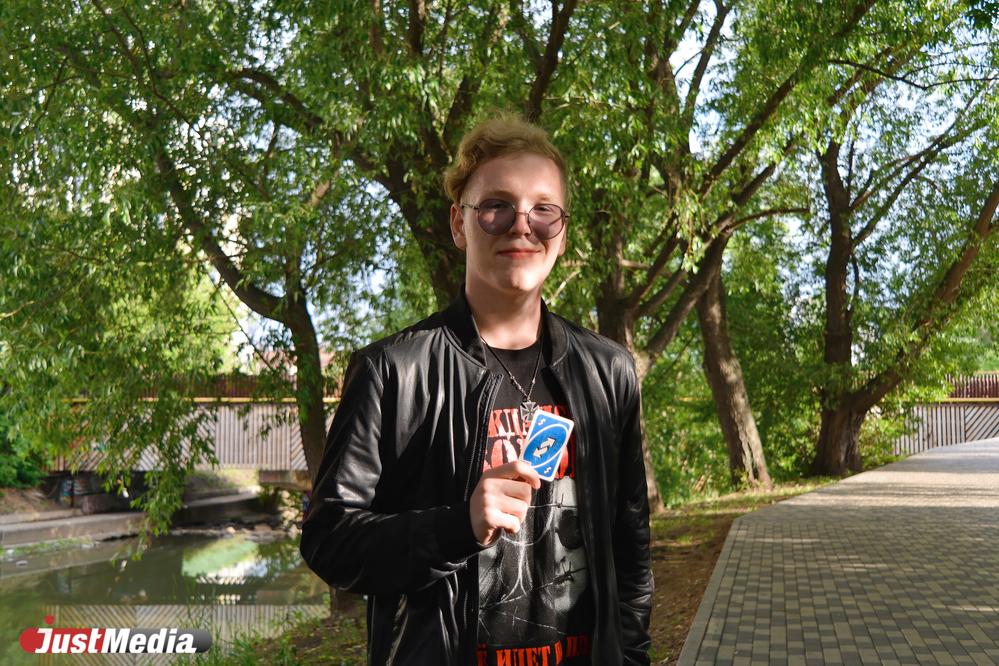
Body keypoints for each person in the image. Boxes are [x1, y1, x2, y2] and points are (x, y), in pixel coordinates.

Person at [300, 112, 653, 665]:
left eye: (543, 210)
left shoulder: (608, 372)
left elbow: (630, 554)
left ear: (562, 231)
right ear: (459, 224)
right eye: (496, 207)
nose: (521, 226)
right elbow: (330, 541)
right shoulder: (392, 372)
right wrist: (457, 526)